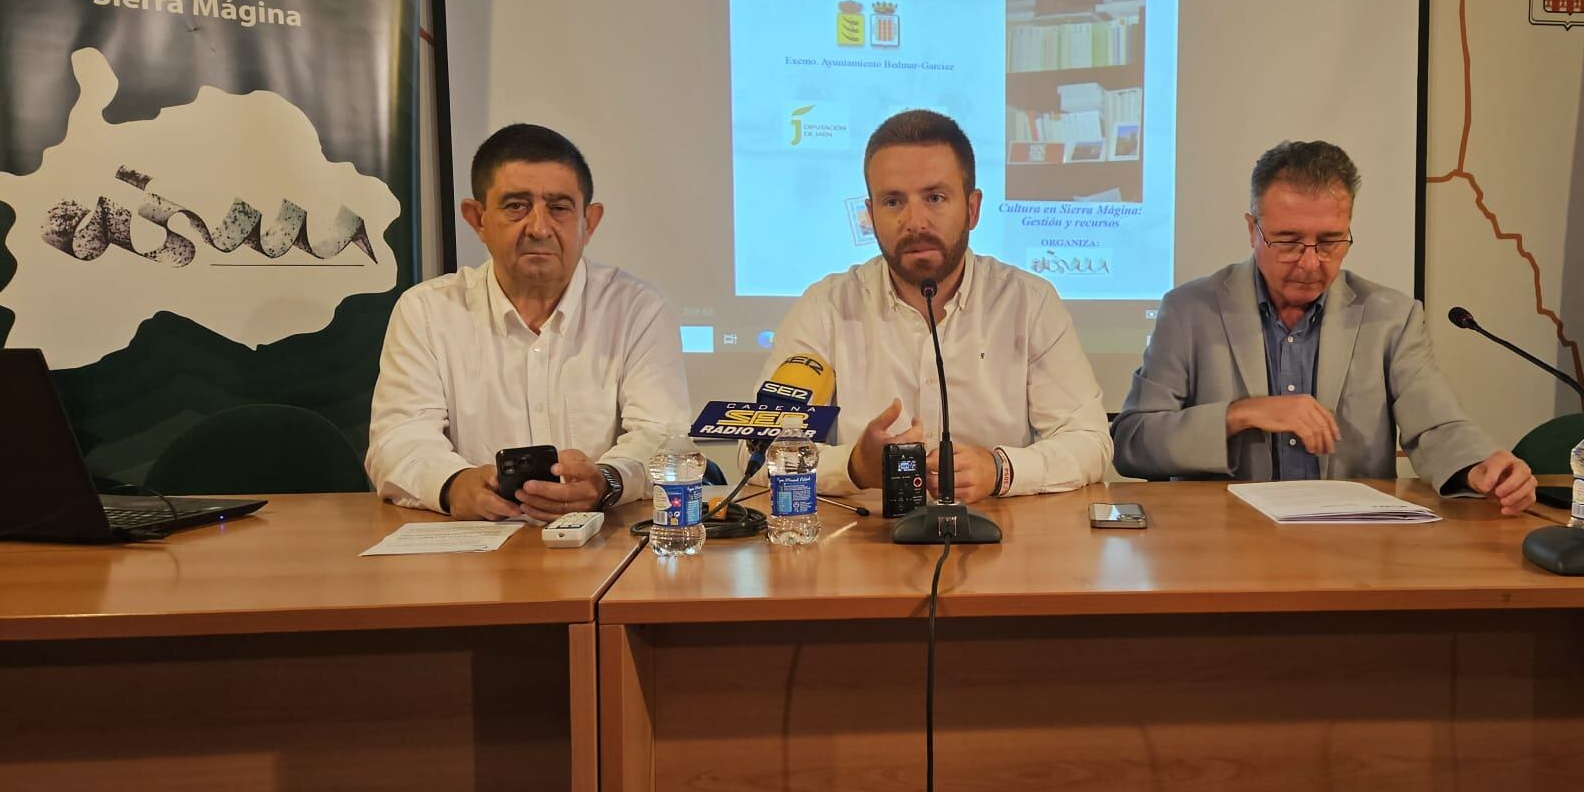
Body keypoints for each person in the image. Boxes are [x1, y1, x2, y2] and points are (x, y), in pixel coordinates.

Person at [1111, 139, 1535, 514]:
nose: (1311, 262)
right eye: (1289, 241)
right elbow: (1133, 442)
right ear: (1251, 230)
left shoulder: (1390, 315)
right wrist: (1241, 414)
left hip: (1351, 546)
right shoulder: (1189, 310)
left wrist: (1480, 466)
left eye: (1330, 241)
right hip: (1226, 544)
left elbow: (1437, 425)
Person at [757, 109, 1109, 500]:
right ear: (870, 216)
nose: (916, 221)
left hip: (999, 545)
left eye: (935, 197)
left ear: (972, 209)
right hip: (863, 548)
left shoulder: (1030, 303)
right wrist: (854, 468)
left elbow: (1090, 442)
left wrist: (1001, 470)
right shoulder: (826, 307)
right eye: (893, 202)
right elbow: (756, 452)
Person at [367, 123, 690, 522]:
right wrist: (453, 485)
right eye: (516, 206)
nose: (539, 228)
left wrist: (605, 481)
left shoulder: (638, 309)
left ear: (589, 222)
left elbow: (662, 437)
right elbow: (398, 439)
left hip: (602, 545)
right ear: (477, 218)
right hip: (470, 550)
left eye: (559, 207)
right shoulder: (427, 311)